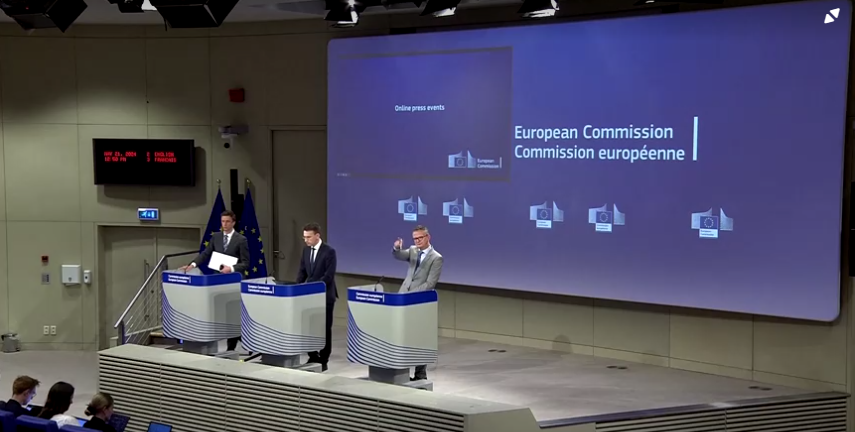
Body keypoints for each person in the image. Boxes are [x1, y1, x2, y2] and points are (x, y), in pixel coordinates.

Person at [179, 210, 250, 351]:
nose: (225, 224)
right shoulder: (216, 237)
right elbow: (205, 254)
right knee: (220, 313)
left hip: (233, 281)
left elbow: (246, 263)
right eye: (223, 221)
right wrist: (192, 265)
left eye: (227, 221)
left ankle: (231, 346)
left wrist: (231, 268)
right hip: (217, 281)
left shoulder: (241, 240)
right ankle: (232, 339)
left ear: (233, 223)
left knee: (232, 314)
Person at [392, 225, 443, 380]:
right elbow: (399, 255)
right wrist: (397, 248)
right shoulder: (413, 251)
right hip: (403, 300)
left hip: (420, 302)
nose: (417, 241)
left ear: (428, 237)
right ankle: (401, 372)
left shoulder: (436, 258)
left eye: (420, 238)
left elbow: (430, 284)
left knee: (419, 338)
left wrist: (411, 295)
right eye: (415, 238)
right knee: (402, 335)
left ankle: (420, 374)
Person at [296, 222, 337, 372]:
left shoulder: (329, 252)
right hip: (309, 296)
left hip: (325, 296)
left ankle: (324, 359)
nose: (306, 240)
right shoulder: (306, 250)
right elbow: (302, 271)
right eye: (304, 237)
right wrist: (297, 287)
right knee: (309, 327)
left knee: (324, 328)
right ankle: (313, 356)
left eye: (308, 237)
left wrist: (314, 287)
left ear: (317, 236)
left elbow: (329, 275)